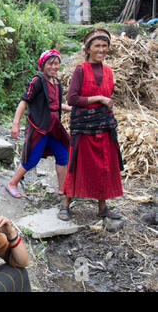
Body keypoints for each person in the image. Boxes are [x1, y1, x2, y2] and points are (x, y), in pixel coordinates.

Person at [58, 28, 123, 221]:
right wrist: (99, 98)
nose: (101, 49)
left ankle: (102, 206)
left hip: (103, 126)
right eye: (97, 46)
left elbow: (108, 95)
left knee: (104, 165)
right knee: (75, 163)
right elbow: (72, 99)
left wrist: (103, 102)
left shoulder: (109, 72)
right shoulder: (80, 70)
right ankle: (65, 204)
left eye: (104, 46)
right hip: (84, 127)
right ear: (88, 48)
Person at [5, 50, 71, 198]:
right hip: (39, 127)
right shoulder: (37, 80)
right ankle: (12, 183)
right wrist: (15, 124)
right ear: (43, 65)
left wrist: (70, 108)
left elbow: (54, 104)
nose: (53, 67)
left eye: (56, 63)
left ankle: (63, 189)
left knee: (63, 155)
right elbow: (24, 101)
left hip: (54, 127)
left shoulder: (57, 82)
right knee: (31, 159)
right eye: (50, 63)